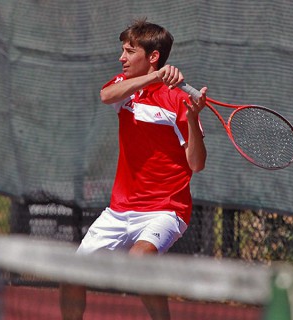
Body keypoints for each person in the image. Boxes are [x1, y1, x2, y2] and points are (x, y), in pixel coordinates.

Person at [59, 18, 208, 320]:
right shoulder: (125, 89)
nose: (121, 58)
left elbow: (197, 163)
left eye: (129, 51)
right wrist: (152, 80)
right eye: (122, 51)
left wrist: (192, 118)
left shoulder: (179, 101)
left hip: (166, 209)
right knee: (71, 275)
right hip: (119, 210)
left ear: (153, 57)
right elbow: (105, 96)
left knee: (139, 262)